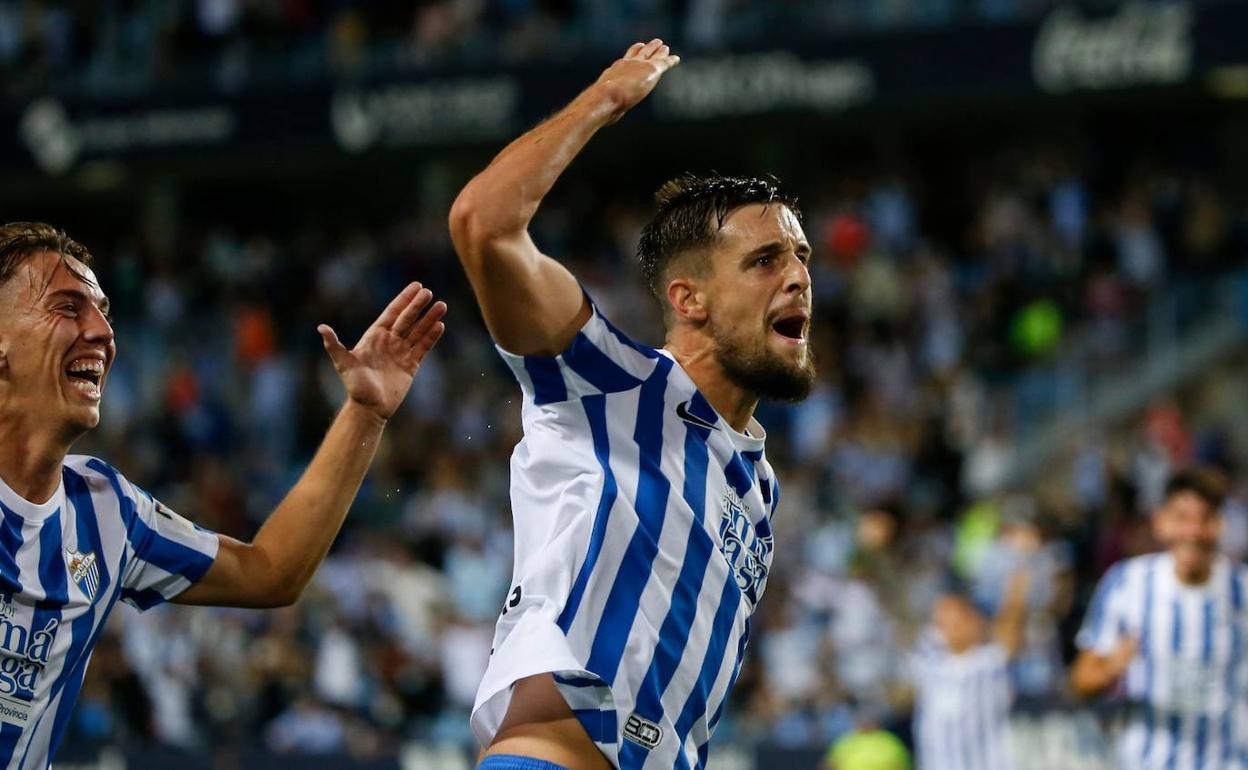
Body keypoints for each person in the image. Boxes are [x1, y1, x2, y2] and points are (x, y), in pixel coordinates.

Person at [449, 39, 814, 770]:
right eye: (766, 260)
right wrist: (602, 103)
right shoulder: (611, 386)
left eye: (802, 256)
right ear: (690, 300)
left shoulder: (760, 489)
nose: (800, 278)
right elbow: (481, 224)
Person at [0, 221, 446, 768]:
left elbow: (272, 571)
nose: (101, 331)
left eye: (103, 311)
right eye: (68, 307)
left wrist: (365, 413)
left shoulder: (105, 510)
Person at [1071, 468, 1246, 769]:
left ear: (1218, 526)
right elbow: (1080, 680)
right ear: (1161, 523)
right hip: (1150, 761)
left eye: (1203, 519)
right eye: (1182, 518)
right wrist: (1111, 667)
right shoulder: (1126, 584)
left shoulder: (1241, 589)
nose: (1192, 531)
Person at [908, 572, 1028, 770]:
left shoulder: (989, 663)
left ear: (976, 620)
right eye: (943, 621)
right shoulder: (929, 664)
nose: (949, 626)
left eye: (958, 618)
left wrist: (1015, 593)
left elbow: (1011, 636)